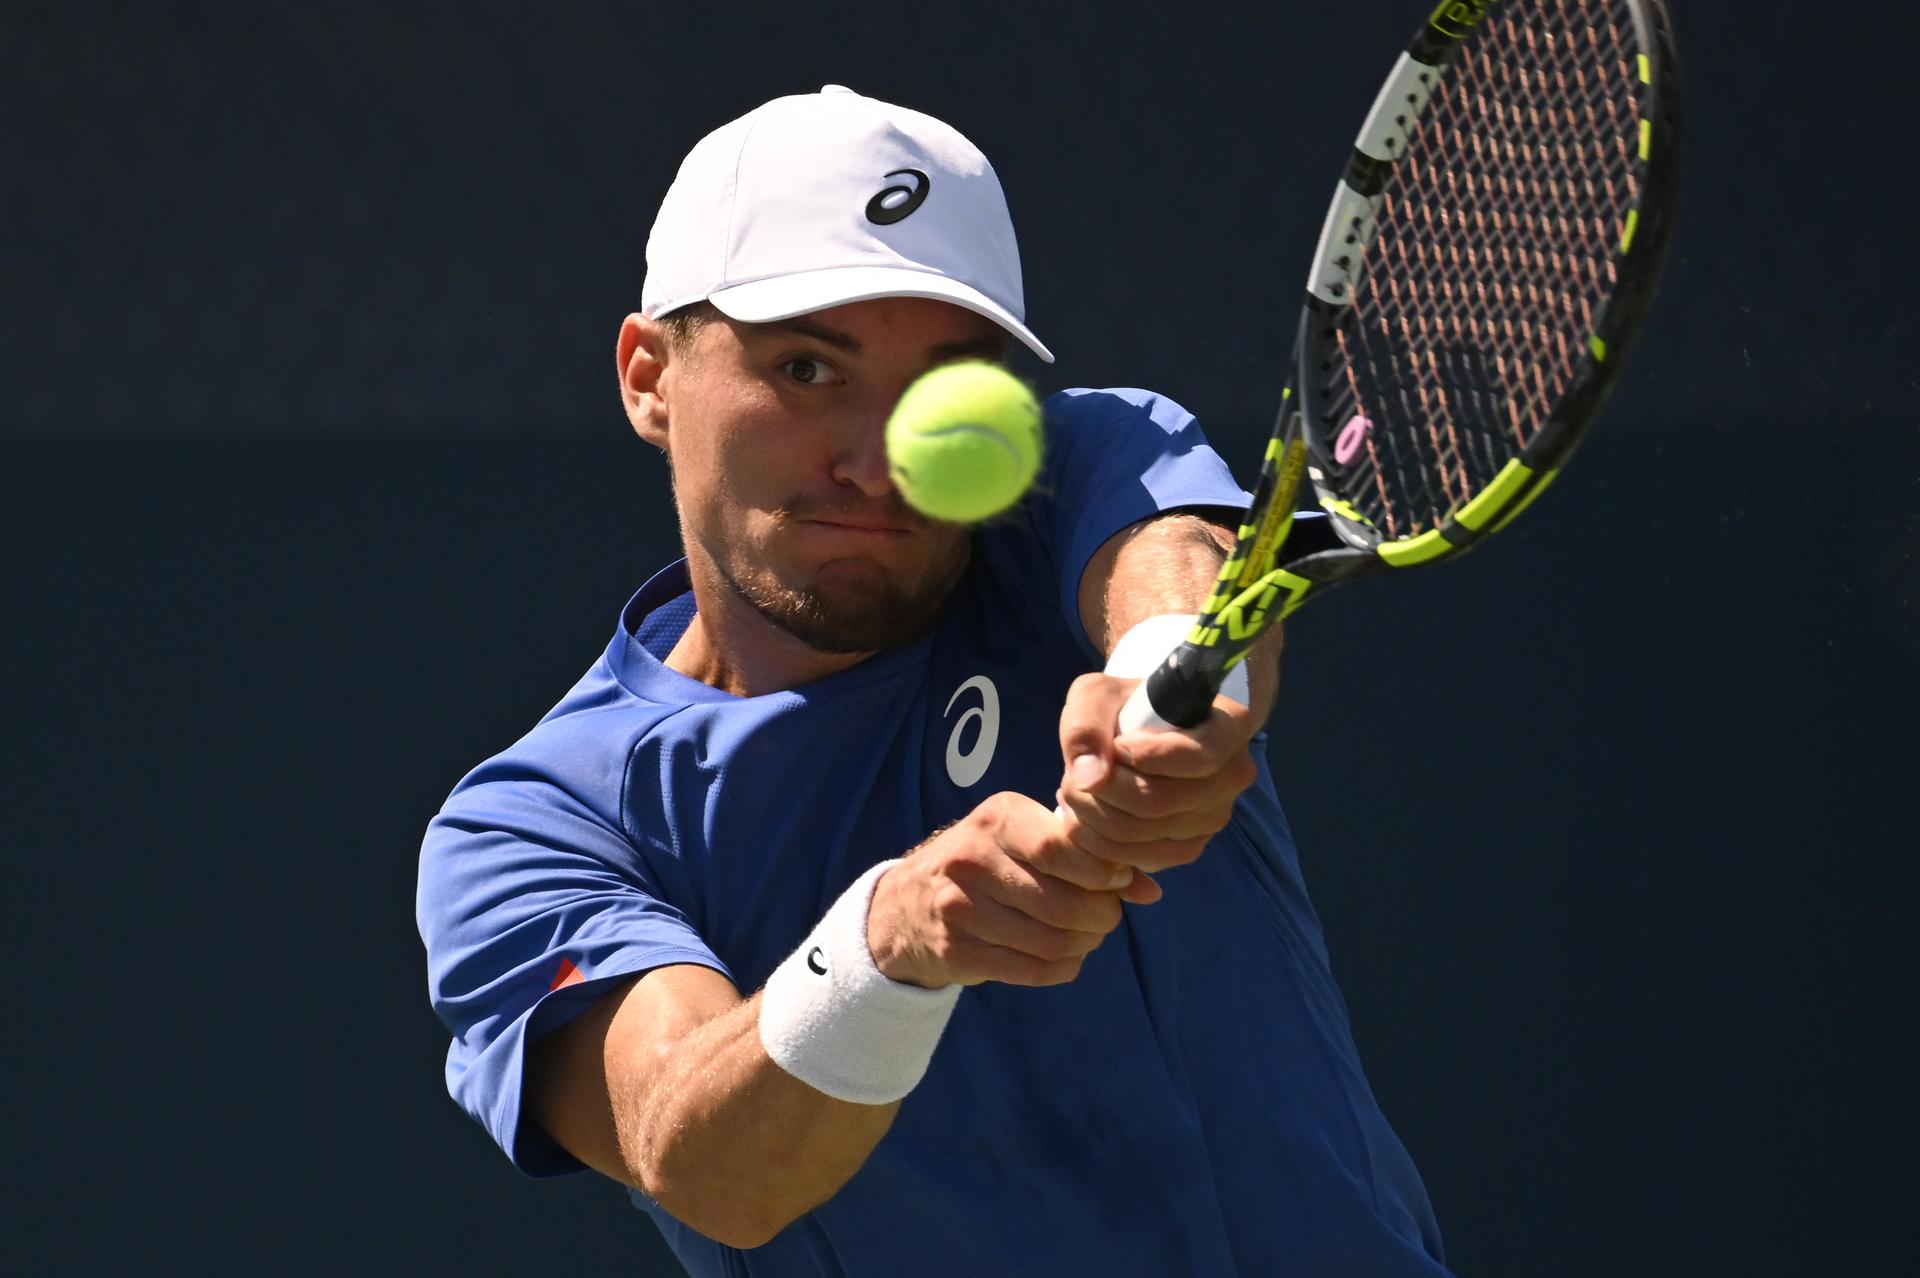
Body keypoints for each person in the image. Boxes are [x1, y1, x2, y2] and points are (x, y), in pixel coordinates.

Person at [417, 85, 1449, 1276]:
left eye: (948, 386)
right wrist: (889, 943)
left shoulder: (1070, 478)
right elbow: (695, 1157)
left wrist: (1164, 689)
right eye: (807, 370)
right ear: (651, 376)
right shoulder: (534, 828)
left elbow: (1173, 571)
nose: (879, 460)